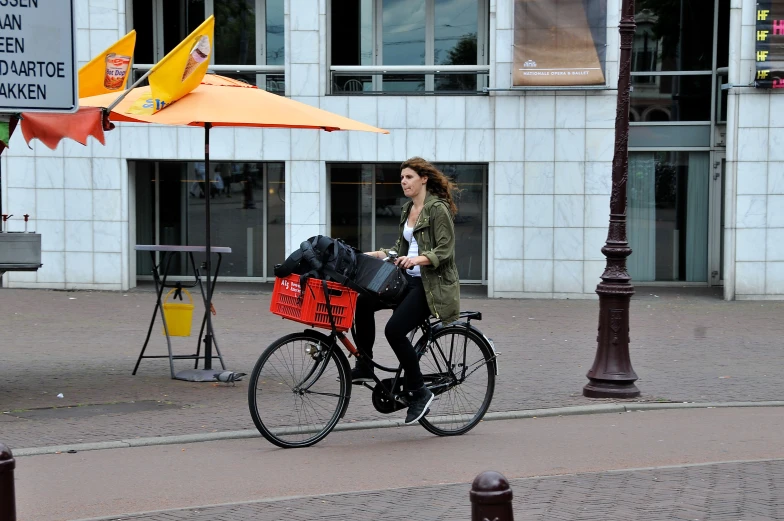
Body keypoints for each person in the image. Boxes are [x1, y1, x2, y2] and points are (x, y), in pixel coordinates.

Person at [352, 157, 461, 425]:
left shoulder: (437, 209)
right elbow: (400, 251)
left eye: (409, 177)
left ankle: (419, 392)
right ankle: (365, 364)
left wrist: (418, 260)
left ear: (424, 179)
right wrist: (375, 254)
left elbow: (445, 251)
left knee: (394, 330)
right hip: (405, 280)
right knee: (363, 301)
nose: (404, 182)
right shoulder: (407, 209)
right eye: (402, 178)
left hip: (430, 284)